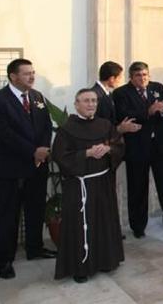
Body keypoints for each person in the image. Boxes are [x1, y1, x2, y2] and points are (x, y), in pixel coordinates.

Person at [0, 58, 56, 279]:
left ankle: (34, 248)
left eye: (33, 72)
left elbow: (45, 125)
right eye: (26, 73)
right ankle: (5, 260)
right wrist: (33, 151)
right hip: (12, 169)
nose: (32, 77)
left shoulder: (37, 97)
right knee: (9, 215)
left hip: (37, 166)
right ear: (13, 76)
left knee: (35, 210)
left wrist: (42, 149)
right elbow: (4, 134)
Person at [52, 89, 125, 283]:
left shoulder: (105, 125)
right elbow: (60, 156)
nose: (91, 104)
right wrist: (86, 154)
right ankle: (80, 268)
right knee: (80, 227)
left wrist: (109, 148)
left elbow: (119, 145)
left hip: (102, 182)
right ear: (76, 104)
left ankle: (106, 261)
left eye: (94, 101)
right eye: (86, 101)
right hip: (79, 186)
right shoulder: (66, 129)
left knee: (104, 222)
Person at [113, 61, 163, 237]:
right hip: (137, 148)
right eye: (138, 75)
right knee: (138, 188)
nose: (142, 78)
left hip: (161, 146)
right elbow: (124, 115)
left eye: (145, 75)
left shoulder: (157, 87)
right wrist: (148, 111)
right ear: (131, 77)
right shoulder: (121, 93)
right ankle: (138, 226)